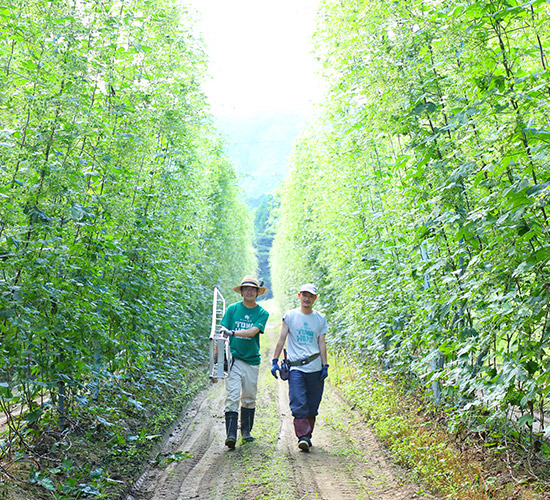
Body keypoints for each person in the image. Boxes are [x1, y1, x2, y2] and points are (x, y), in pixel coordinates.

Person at [271, 283, 329, 452]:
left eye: (310, 296)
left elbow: (321, 342)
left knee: (312, 403)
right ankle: (302, 436)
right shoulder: (290, 316)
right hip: (296, 367)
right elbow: (282, 339)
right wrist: (275, 360)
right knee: (298, 401)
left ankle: (307, 436)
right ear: (299, 296)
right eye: (304, 295)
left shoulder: (320, 318)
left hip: (315, 366)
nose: (307, 298)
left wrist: (325, 365)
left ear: (315, 299)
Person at [220, 275, 269, 449]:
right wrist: (219, 359)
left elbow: (253, 331)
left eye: (252, 289)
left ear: (257, 292)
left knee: (249, 397)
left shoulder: (262, 313)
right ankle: (230, 434)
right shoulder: (232, 310)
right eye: (246, 288)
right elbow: (222, 333)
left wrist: (233, 332)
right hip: (234, 360)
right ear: (241, 291)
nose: (249, 291)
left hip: (252, 361)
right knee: (232, 396)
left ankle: (246, 431)